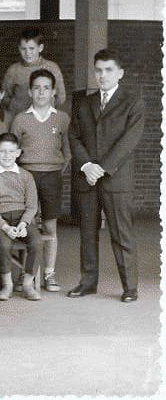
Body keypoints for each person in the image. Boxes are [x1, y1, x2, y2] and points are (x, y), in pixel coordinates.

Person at [67, 49, 144, 303]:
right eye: (98, 70)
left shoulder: (132, 102)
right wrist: (87, 165)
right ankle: (88, 283)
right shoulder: (83, 103)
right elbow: (73, 136)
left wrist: (102, 168)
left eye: (108, 70)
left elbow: (129, 140)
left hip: (116, 179)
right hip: (87, 177)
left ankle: (130, 287)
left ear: (120, 73)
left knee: (121, 234)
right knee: (87, 234)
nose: (103, 75)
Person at [11, 69, 70, 292]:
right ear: (29, 91)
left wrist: (56, 170)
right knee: (26, 225)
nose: (41, 92)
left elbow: (68, 152)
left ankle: (49, 274)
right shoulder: (20, 119)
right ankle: (26, 273)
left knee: (49, 225)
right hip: (27, 176)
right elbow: (12, 151)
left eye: (46, 88)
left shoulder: (62, 119)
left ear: (54, 91)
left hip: (52, 176)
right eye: (36, 88)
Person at [0, 133, 41, 301]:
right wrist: (4, 227)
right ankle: (7, 284)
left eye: (11, 151)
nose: (7, 155)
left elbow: (32, 205)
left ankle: (28, 284)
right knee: (4, 243)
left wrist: (24, 224)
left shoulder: (26, 176)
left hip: (22, 218)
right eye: (3, 151)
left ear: (18, 153)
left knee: (37, 242)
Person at [2, 27, 66, 116]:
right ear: (19, 48)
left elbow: (60, 97)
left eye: (31, 48)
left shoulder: (52, 68)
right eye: (23, 49)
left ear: (40, 48)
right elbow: (5, 97)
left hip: (45, 117)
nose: (27, 53)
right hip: (19, 117)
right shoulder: (13, 70)